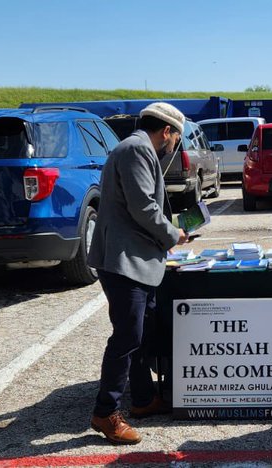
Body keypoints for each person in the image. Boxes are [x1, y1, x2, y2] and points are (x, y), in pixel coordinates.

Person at [86, 102, 191, 445]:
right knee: (127, 338)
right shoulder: (136, 149)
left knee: (141, 335)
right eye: (176, 138)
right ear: (167, 132)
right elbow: (143, 206)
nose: (175, 146)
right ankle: (106, 413)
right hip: (123, 261)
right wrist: (173, 234)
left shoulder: (136, 148)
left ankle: (144, 400)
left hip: (134, 260)